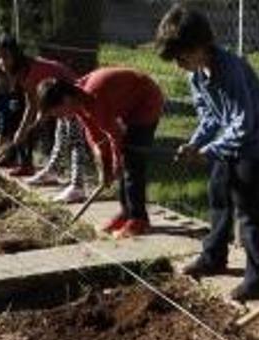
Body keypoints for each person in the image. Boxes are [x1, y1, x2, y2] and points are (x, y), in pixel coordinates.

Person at [154, 4, 259, 301]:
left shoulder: (230, 69)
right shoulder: (196, 75)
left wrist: (209, 152)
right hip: (233, 137)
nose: (178, 64)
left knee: (247, 203)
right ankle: (214, 256)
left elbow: (243, 123)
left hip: (257, 140)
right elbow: (210, 118)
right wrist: (195, 144)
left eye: (180, 56)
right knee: (218, 191)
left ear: (200, 45)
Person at [37, 68, 164, 237]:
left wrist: (115, 165)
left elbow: (114, 136)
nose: (59, 118)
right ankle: (126, 213)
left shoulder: (94, 97)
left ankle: (139, 220)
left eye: (58, 112)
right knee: (123, 163)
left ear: (66, 99)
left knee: (131, 161)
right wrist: (104, 169)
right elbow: (95, 136)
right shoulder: (79, 100)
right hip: (128, 103)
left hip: (146, 102)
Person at [0, 34, 87, 202]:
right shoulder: (20, 73)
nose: (1, 62)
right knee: (61, 136)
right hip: (57, 99)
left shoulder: (32, 69)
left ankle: (78, 186)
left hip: (71, 96)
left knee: (74, 140)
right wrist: (22, 129)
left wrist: (31, 125)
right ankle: (52, 172)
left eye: (5, 56)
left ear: (16, 54)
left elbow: (38, 104)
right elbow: (31, 102)